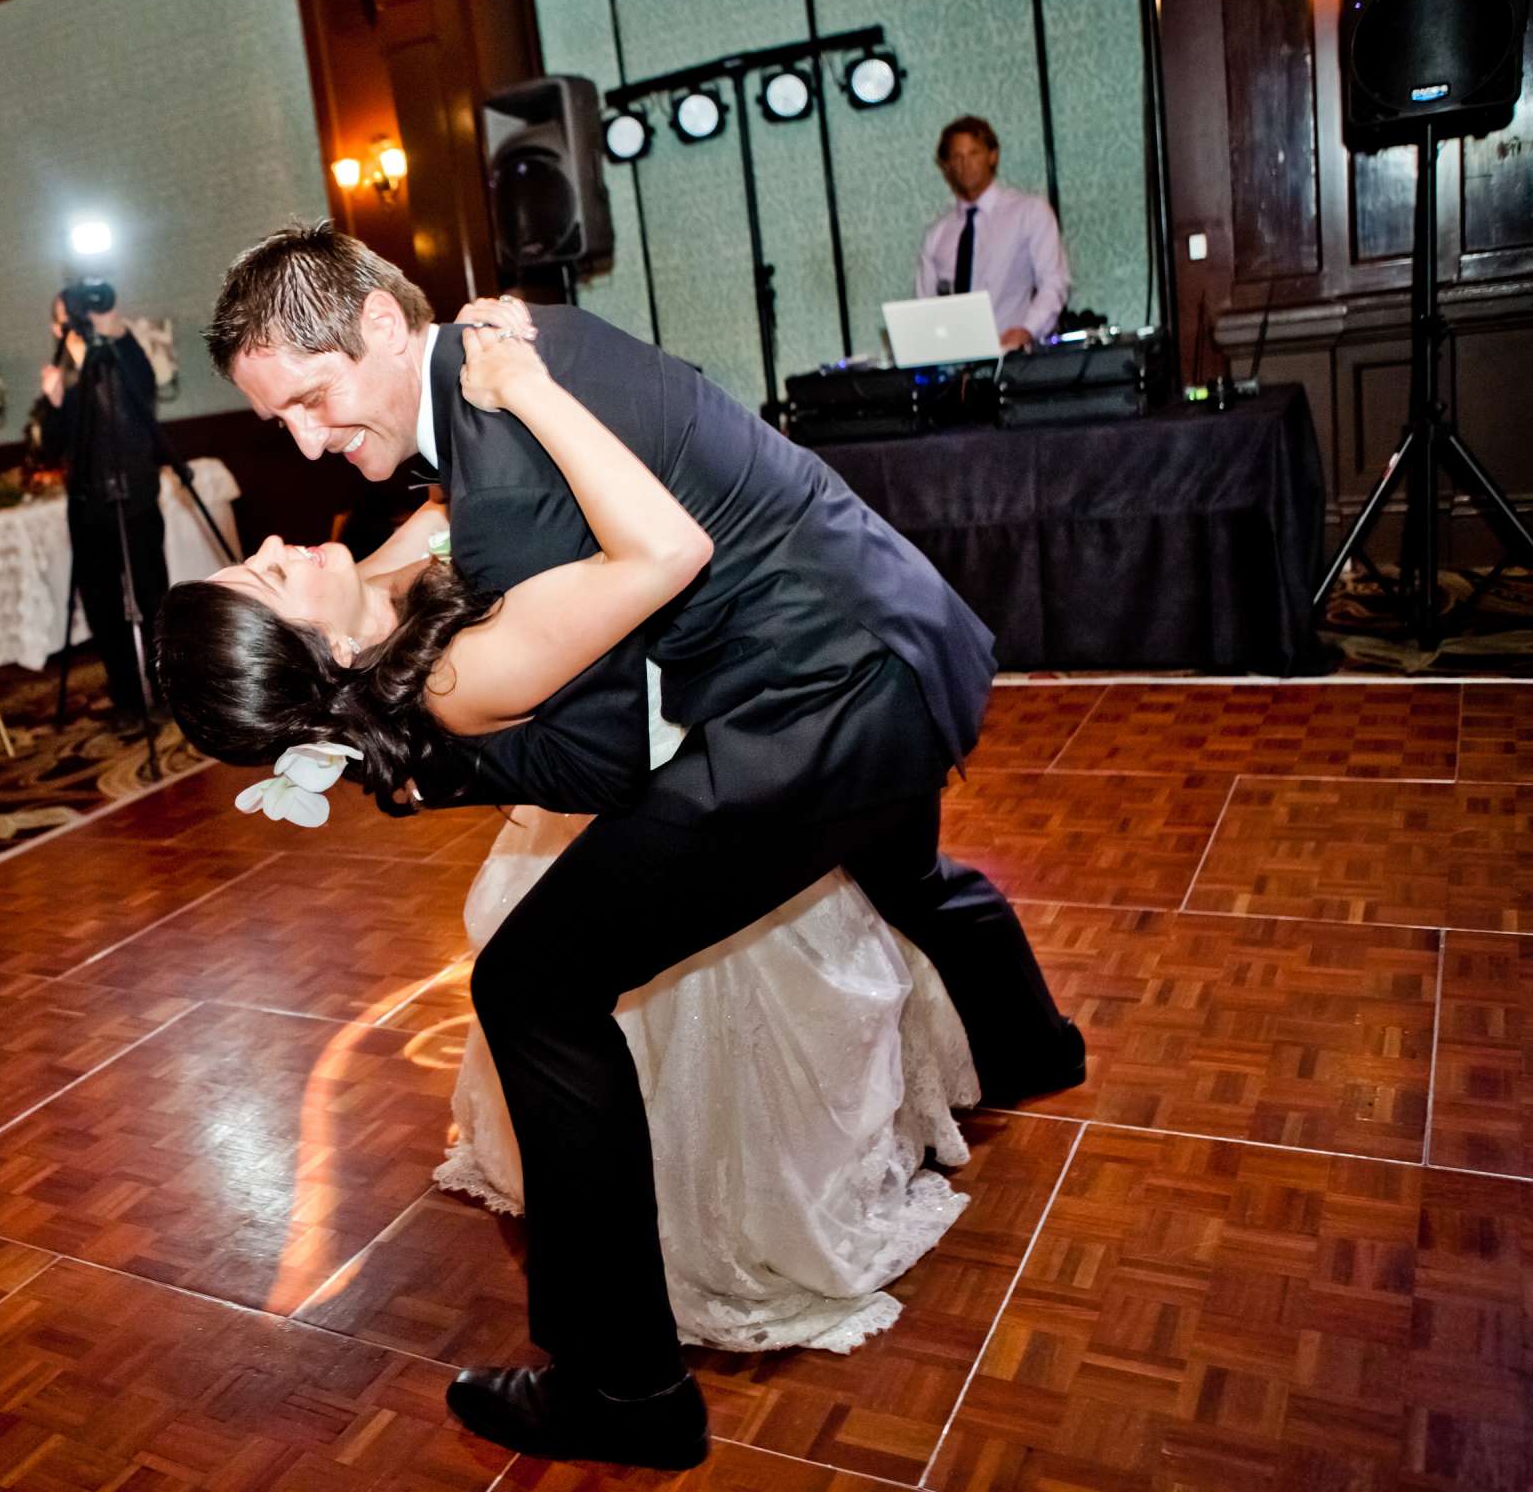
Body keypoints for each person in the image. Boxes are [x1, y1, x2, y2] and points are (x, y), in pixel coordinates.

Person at [176, 225, 1083, 1468]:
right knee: (894, 863)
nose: (301, 443)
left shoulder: (499, 457)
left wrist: (423, 736)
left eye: (309, 399)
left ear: (385, 331)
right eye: (277, 419)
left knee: (533, 986)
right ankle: (1031, 1041)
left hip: (819, 708)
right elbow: (464, 534)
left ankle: (625, 1391)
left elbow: (598, 751)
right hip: (894, 630)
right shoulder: (514, 350)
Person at [41, 289, 168, 721]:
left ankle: (168, 690)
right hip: (87, 506)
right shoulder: (62, 377)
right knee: (101, 606)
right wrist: (54, 404)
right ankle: (127, 696)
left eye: (76, 317)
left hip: (136, 501)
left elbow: (139, 399)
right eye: (64, 321)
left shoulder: (120, 357)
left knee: (153, 597)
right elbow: (51, 450)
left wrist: (112, 326)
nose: (73, 326)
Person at [915, 115, 1070, 351]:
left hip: (1013, 359)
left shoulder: (1029, 212)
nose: (965, 164)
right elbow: (925, 305)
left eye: (973, 153)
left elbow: (1054, 282)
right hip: (955, 368)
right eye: (956, 157)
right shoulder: (937, 235)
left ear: (992, 156)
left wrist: (1027, 330)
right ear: (946, 167)